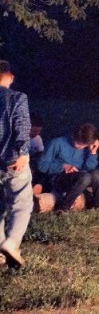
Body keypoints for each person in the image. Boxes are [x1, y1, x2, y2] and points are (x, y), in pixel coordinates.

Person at [0, 60, 32, 269]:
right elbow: (21, 125)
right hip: (12, 160)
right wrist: (24, 152)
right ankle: (11, 243)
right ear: (9, 76)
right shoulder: (17, 97)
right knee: (22, 203)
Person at [37, 123, 99, 212]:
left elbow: (89, 167)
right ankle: (63, 208)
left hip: (79, 179)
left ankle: (96, 206)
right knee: (85, 177)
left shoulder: (87, 146)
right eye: (79, 144)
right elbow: (41, 165)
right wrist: (63, 166)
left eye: (84, 145)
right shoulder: (56, 143)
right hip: (58, 178)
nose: (81, 147)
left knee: (98, 175)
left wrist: (93, 152)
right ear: (73, 136)